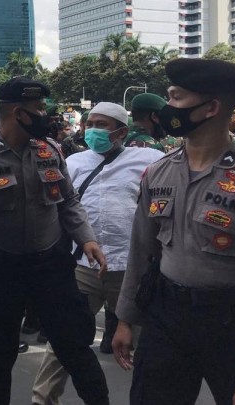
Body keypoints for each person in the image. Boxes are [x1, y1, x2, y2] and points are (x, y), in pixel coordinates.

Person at [0, 77, 109, 405]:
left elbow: (69, 201)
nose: (45, 115)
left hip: (50, 265)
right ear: (18, 113)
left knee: (74, 347)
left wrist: (86, 238)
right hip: (1, 268)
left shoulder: (50, 150)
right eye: (39, 109)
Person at [113, 58, 235, 405]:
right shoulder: (158, 172)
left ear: (211, 107)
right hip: (166, 315)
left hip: (231, 322)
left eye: (175, 97)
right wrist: (125, 319)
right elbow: (141, 251)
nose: (166, 108)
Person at [31, 102, 163, 405]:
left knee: (147, 349)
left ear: (122, 131)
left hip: (133, 273)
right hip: (83, 268)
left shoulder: (150, 161)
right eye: (90, 124)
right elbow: (58, 209)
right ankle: (42, 400)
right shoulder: (73, 163)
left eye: (102, 125)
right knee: (63, 342)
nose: (93, 130)